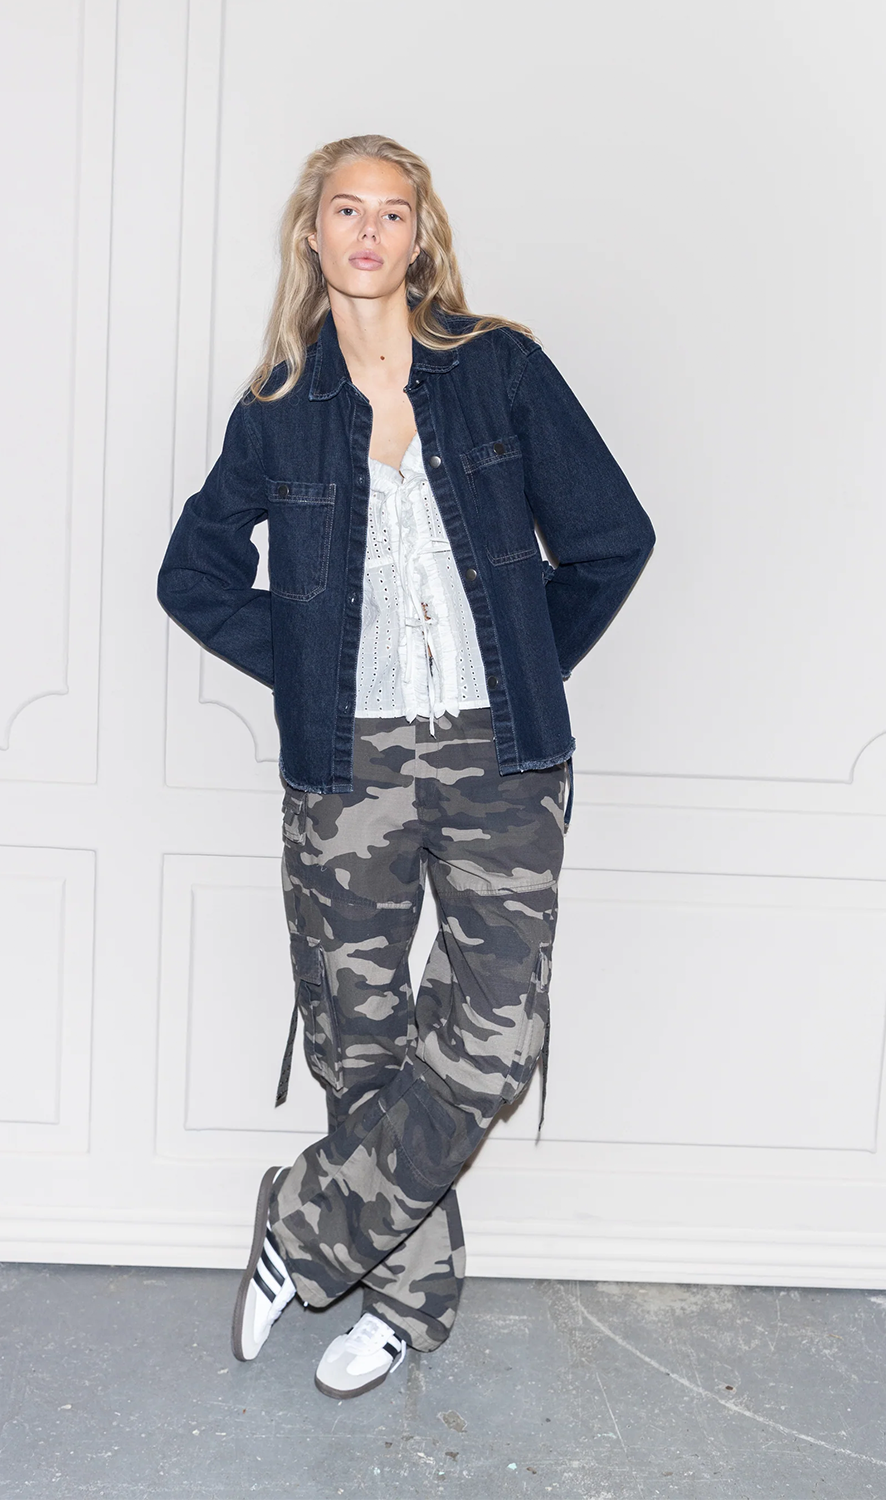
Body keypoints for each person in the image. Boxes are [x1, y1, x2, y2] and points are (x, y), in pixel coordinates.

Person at [157, 134, 655, 1399]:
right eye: (347, 210)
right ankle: (403, 1305)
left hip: (502, 752)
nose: (370, 232)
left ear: (420, 236)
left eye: (394, 212)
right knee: (361, 1041)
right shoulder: (279, 411)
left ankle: (304, 1223)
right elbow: (192, 576)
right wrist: (309, 663)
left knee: (492, 1036)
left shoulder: (499, 370)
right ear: (312, 233)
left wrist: (523, 663)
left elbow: (612, 537)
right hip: (349, 761)